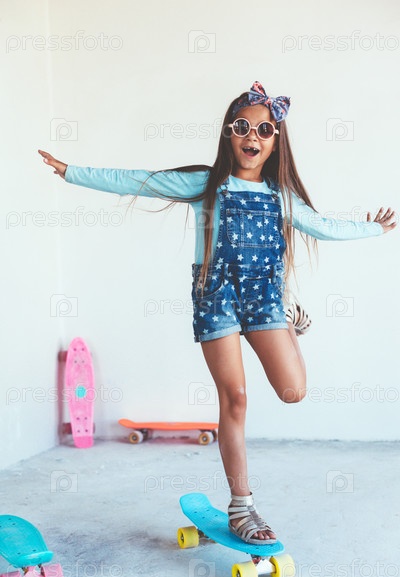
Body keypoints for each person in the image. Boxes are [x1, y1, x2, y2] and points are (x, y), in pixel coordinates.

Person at [38, 81, 396, 545]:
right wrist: (71, 172)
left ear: (276, 141)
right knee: (235, 399)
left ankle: (288, 323)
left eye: (264, 129)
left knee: (293, 391)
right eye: (242, 126)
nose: (253, 136)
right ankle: (242, 506)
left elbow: (325, 227)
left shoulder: (282, 196)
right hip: (217, 296)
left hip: (265, 297)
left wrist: (373, 229)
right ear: (229, 134)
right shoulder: (206, 185)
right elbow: (138, 180)